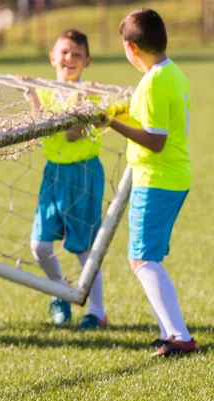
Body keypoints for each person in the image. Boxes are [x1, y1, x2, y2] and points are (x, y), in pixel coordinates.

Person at [107, 8, 198, 357]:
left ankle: (179, 336)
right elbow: (153, 121)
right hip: (171, 176)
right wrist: (121, 114)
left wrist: (110, 123)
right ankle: (168, 332)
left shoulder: (154, 82)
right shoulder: (172, 73)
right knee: (147, 257)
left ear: (130, 48)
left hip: (157, 179)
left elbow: (155, 138)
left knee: (142, 259)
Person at [24, 30, 107, 328]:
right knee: (40, 246)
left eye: (76, 54)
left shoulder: (93, 93)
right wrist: (32, 95)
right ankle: (60, 291)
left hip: (84, 173)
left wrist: (85, 101)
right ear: (52, 57)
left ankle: (96, 312)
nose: (69, 59)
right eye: (64, 52)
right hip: (53, 174)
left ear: (87, 61)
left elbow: (74, 134)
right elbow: (39, 127)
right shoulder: (44, 90)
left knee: (85, 248)